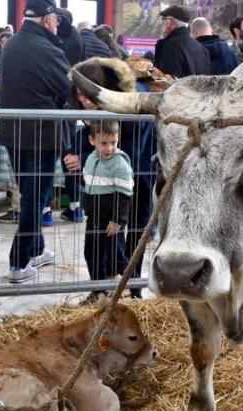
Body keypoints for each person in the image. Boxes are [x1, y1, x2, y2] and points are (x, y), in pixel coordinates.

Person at [67, 57, 157, 299]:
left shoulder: (133, 102)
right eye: (80, 95)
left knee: (135, 233)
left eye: (88, 95)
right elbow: (83, 140)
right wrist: (74, 158)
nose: (84, 101)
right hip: (102, 190)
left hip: (136, 178)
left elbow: (129, 153)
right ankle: (100, 289)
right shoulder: (88, 111)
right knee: (98, 238)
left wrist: (84, 156)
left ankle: (134, 289)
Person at [0, 0, 74, 283]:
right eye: (56, 20)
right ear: (46, 19)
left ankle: (37, 249)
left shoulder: (12, 44)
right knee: (35, 199)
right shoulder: (47, 48)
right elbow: (66, 87)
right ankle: (18, 262)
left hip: (14, 134)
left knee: (30, 194)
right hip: (41, 136)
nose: (57, 25)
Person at [82, 121, 134, 304]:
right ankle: (98, 291)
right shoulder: (90, 159)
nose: (109, 148)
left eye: (113, 142)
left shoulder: (120, 164)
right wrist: (85, 207)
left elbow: (125, 195)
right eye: (103, 143)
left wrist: (117, 221)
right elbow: (88, 186)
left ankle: (135, 286)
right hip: (94, 219)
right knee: (91, 254)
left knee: (116, 257)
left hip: (112, 222)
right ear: (92, 140)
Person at [154, 4, 211, 78]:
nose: (162, 23)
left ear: (172, 23)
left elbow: (169, 82)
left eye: (164, 19)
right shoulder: (201, 48)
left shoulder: (172, 46)